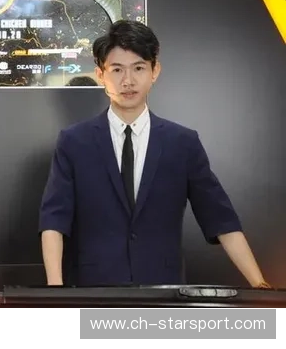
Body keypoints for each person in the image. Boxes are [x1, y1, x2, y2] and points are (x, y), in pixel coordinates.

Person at [39, 20, 270, 288]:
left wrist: (260, 284)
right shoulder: (74, 142)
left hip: (163, 292)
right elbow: (54, 221)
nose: (128, 81)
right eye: (117, 69)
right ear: (101, 75)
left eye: (138, 68)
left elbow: (221, 219)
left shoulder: (182, 143)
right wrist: (55, 291)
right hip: (94, 290)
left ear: (154, 71)